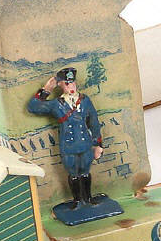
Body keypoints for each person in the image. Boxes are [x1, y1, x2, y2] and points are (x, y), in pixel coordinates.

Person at [27, 67, 104, 207]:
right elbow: (33, 107)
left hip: (85, 145)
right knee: (73, 173)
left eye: (73, 83)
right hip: (68, 147)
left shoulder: (85, 100)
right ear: (60, 85)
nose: (71, 87)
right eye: (67, 84)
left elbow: (94, 122)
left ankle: (88, 199)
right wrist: (46, 90)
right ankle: (77, 200)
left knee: (85, 172)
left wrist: (97, 144)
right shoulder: (57, 104)